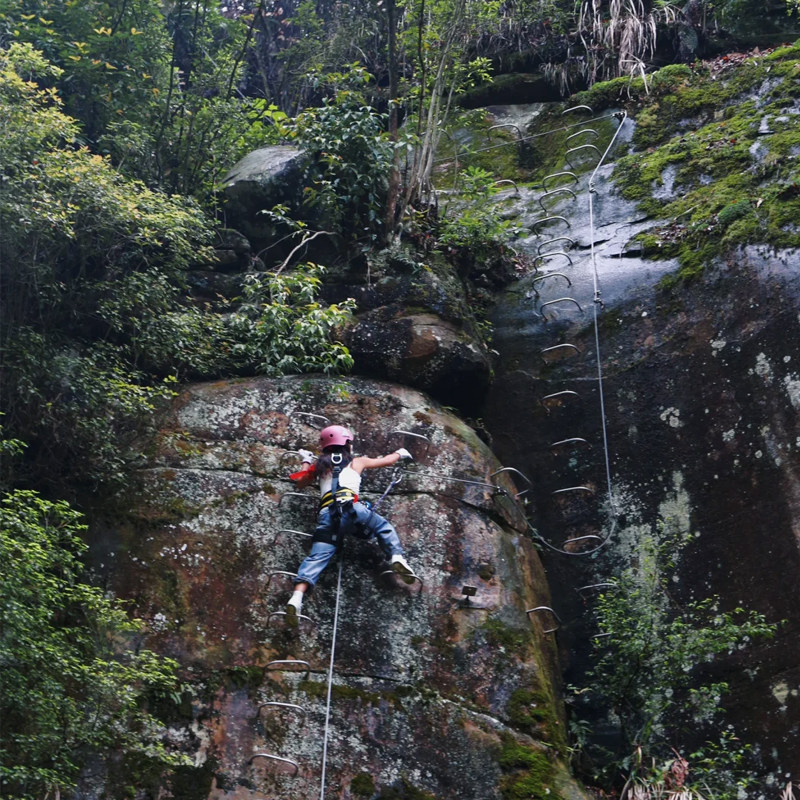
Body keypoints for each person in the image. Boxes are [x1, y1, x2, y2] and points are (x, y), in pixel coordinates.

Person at [284, 424, 415, 623]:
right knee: (382, 527)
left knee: (316, 559)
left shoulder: (319, 466)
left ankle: (296, 597)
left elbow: (300, 482)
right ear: (347, 445)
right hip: (353, 509)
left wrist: (306, 460)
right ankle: (397, 557)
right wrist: (400, 453)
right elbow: (386, 461)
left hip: (328, 516)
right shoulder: (358, 462)